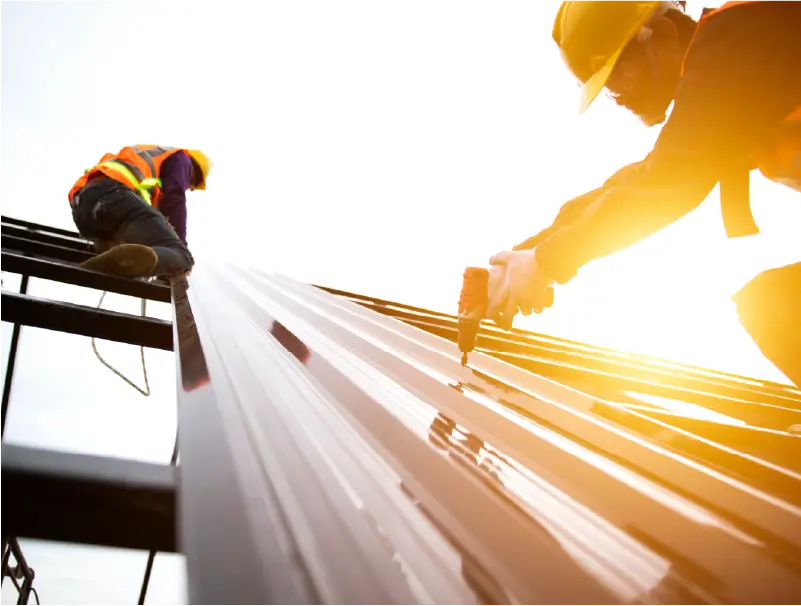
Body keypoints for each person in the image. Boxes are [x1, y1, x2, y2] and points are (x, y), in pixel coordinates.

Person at [484, 0, 801, 386]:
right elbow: (643, 179)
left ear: (662, 36)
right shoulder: (737, 64)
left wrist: (545, 261)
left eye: (618, 79)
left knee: (779, 311)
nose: (621, 100)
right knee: (776, 309)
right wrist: (530, 254)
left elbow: (668, 179)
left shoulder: (734, 41)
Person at [68, 145, 212, 278]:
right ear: (193, 169)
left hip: (84, 209)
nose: (187, 185)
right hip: (113, 196)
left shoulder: (149, 164)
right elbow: (174, 196)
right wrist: (178, 244)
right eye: (190, 182)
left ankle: (98, 260)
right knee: (183, 257)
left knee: (132, 250)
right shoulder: (182, 158)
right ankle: (97, 269)